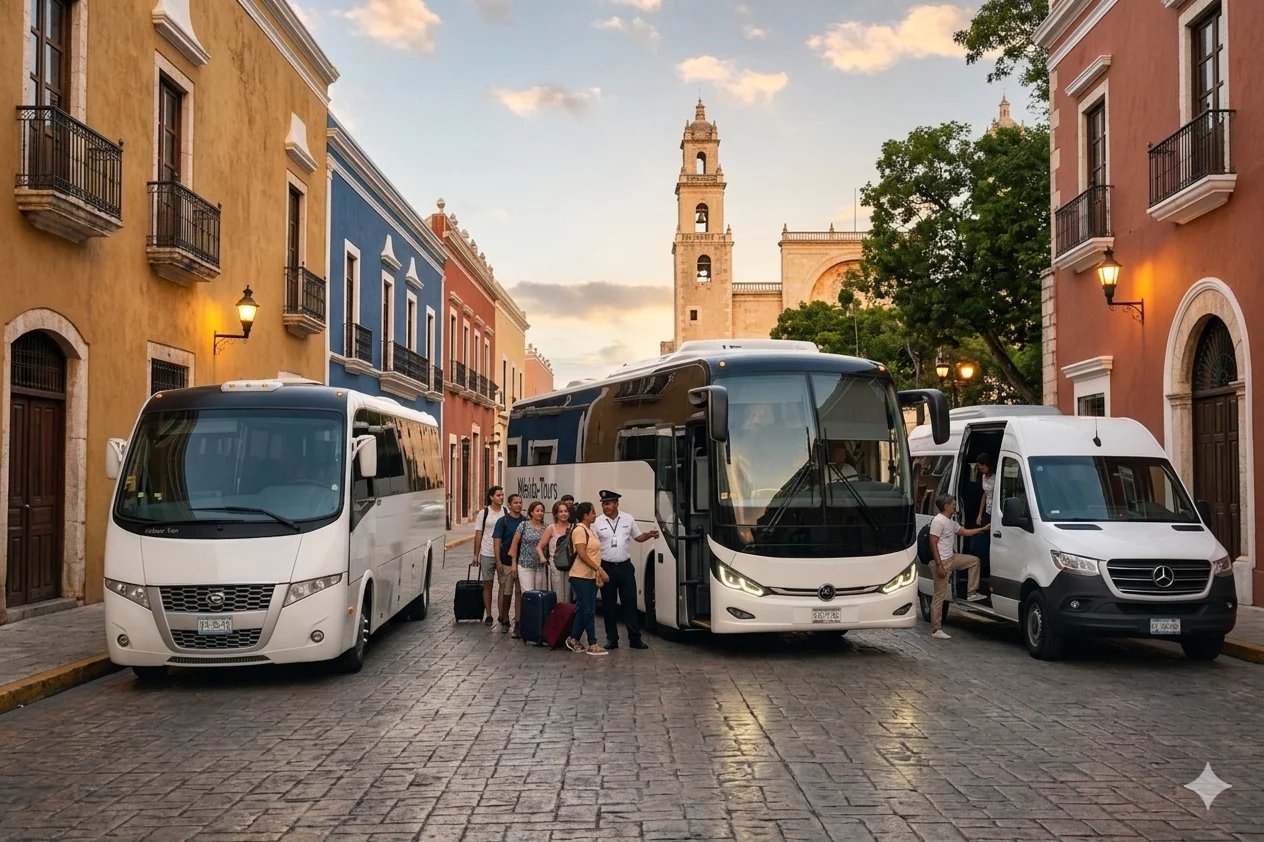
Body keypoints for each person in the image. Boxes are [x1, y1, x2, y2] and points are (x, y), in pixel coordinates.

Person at [593, 489, 659, 651]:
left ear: (616, 504)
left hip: (625, 567)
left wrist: (649, 535)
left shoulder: (628, 519)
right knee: (609, 606)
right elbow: (593, 545)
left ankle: (635, 639)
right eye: (603, 504)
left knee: (630, 603)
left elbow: (638, 537)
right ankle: (612, 639)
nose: (605, 507)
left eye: (608, 504)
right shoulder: (598, 522)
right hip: (607, 567)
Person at [928, 493, 989, 640]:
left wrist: (983, 529)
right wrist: (939, 565)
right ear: (946, 506)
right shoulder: (938, 521)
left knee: (974, 561)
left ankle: (971, 592)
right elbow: (933, 543)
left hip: (952, 558)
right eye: (953, 503)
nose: (955, 505)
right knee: (939, 597)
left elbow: (964, 532)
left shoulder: (951, 521)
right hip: (942, 562)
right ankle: (936, 629)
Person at [564, 502, 609, 656]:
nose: (595, 515)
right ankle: (592, 642)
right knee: (588, 610)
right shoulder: (579, 530)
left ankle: (574, 638)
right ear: (585, 515)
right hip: (580, 575)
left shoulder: (591, 530)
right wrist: (599, 568)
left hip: (590, 576)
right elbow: (582, 554)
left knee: (585, 608)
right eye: (592, 512)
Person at [492, 493, 526, 635]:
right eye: (515, 503)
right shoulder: (503, 521)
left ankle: (518, 621)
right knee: (507, 592)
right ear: (510, 505)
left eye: (520, 502)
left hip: (522, 563)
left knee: (519, 593)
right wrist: (498, 561)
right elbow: (497, 542)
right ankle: (504, 618)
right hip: (506, 562)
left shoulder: (525, 521)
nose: (518, 505)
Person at [472, 486, 505, 627]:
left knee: (503, 585)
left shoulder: (506, 512)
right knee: (488, 584)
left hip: (502, 554)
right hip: (486, 552)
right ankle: (489, 614)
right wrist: (475, 555)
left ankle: (502, 614)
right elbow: (478, 534)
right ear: (491, 497)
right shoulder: (484, 513)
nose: (501, 497)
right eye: (498, 495)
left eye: (502, 495)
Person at [510, 500, 549, 596]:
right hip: (525, 565)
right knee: (528, 595)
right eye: (537, 510)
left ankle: (538, 611)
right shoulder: (523, 525)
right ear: (531, 512)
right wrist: (513, 564)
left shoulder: (546, 527)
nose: (540, 513)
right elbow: (514, 545)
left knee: (540, 594)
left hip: (540, 566)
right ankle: (529, 611)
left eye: (542, 511)